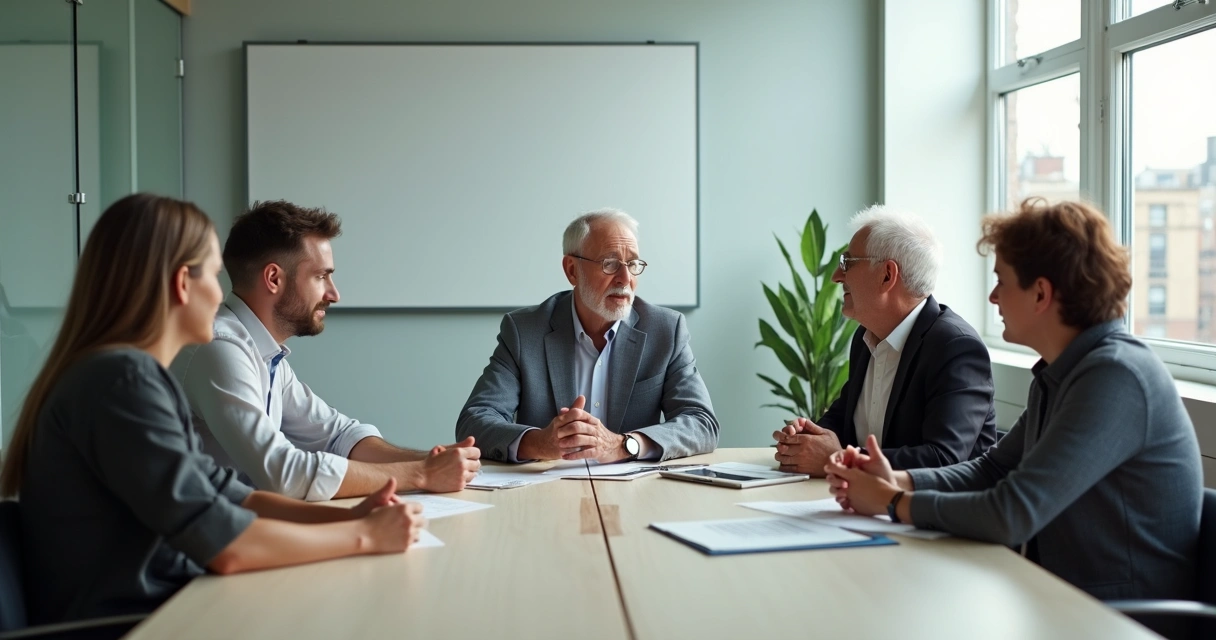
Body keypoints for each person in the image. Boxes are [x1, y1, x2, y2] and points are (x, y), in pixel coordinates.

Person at [0, 194, 426, 625]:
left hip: (168, 604)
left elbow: (226, 495)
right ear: (183, 283)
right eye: (213, 274)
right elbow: (225, 545)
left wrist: (351, 516)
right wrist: (362, 536)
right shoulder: (123, 381)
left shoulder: (134, 376)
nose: (222, 293)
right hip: (135, 623)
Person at [826, 198, 1202, 640]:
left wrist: (893, 503)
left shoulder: (1115, 377)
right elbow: (994, 468)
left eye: (1001, 281)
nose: (992, 297)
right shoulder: (1063, 372)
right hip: (1056, 595)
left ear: (1041, 294)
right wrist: (900, 481)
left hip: (1116, 619)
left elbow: (1013, 511)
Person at [173, 201, 480, 501]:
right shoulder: (220, 348)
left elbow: (337, 435)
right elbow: (282, 474)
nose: (334, 293)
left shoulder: (264, 352)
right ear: (274, 278)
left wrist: (429, 461)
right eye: (321, 276)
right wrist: (420, 474)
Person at [457, 208, 718, 463]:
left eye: (633, 264)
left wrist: (625, 444)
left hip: (633, 490)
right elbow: (475, 420)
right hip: (547, 489)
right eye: (610, 263)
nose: (625, 278)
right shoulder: (525, 331)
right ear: (572, 270)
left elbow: (701, 422)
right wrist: (540, 443)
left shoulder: (665, 330)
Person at [773, 205, 997, 475]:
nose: (836, 276)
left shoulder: (955, 347)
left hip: (931, 515)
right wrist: (808, 438)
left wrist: (838, 458)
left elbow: (944, 459)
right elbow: (844, 420)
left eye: (847, 263)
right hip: (866, 507)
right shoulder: (866, 337)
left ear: (887, 275)